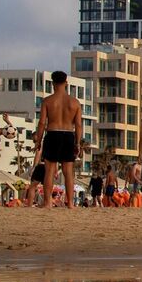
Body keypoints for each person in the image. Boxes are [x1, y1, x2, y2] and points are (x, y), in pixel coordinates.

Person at [39, 71, 83, 212]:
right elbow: (78, 125)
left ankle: (48, 203)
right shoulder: (74, 102)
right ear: (66, 83)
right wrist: (78, 143)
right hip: (68, 135)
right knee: (68, 172)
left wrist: (38, 141)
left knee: (50, 171)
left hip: (52, 134)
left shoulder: (48, 101)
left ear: (53, 83)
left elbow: (41, 123)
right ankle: (70, 203)